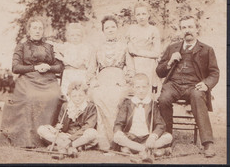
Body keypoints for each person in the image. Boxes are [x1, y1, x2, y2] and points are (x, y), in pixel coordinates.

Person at [156, 15, 219, 158]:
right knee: (163, 98)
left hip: (194, 86)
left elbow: (214, 73)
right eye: (184, 27)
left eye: (190, 27)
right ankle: (166, 139)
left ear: (197, 29)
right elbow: (159, 72)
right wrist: (170, 62)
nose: (187, 30)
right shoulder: (172, 48)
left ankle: (208, 143)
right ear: (180, 30)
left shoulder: (207, 50)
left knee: (198, 96)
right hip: (174, 85)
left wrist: (206, 84)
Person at [0, 17, 64, 148]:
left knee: (56, 96)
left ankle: (50, 137)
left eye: (40, 28)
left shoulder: (49, 47)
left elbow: (60, 66)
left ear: (43, 31)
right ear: (29, 30)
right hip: (28, 79)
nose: (37, 31)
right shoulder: (21, 46)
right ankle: (29, 139)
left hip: (48, 80)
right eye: (34, 28)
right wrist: (35, 67)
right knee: (31, 98)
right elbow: (15, 68)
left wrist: (48, 67)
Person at [87, 15, 135, 150]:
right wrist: (93, 81)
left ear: (117, 29)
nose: (110, 30)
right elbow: (91, 70)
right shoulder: (97, 48)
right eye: (107, 28)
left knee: (117, 98)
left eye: (113, 27)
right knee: (97, 96)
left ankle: (118, 139)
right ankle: (103, 140)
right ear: (103, 31)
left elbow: (131, 69)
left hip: (119, 79)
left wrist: (126, 81)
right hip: (102, 79)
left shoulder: (124, 47)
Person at [113, 73, 172, 159]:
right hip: (131, 137)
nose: (141, 90)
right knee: (117, 137)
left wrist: (153, 137)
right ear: (133, 88)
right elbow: (118, 123)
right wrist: (119, 132)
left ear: (148, 87)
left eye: (144, 87)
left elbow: (160, 124)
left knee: (168, 136)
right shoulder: (127, 104)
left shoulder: (152, 104)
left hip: (148, 138)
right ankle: (147, 150)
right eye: (138, 87)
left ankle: (136, 149)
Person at [37, 81, 98, 154]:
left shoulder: (90, 106)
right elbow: (61, 124)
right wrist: (58, 127)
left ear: (85, 95)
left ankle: (66, 146)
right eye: (74, 96)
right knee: (41, 129)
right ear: (70, 96)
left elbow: (88, 126)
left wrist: (70, 139)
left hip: (80, 137)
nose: (77, 98)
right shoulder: (66, 106)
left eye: (80, 95)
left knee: (92, 133)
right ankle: (70, 147)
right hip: (65, 136)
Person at [126, 3, 161, 96]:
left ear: (148, 14)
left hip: (149, 62)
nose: (141, 17)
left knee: (147, 86)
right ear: (135, 16)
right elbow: (128, 48)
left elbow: (156, 53)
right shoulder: (131, 29)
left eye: (144, 14)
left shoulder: (153, 30)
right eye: (138, 14)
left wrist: (138, 52)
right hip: (133, 62)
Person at [54, 23, 93, 97]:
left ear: (82, 37)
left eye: (78, 35)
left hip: (80, 73)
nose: (75, 37)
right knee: (67, 94)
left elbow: (77, 64)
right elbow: (53, 45)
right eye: (72, 35)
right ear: (68, 36)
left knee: (79, 94)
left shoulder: (84, 48)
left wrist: (62, 58)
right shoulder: (66, 46)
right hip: (68, 74)